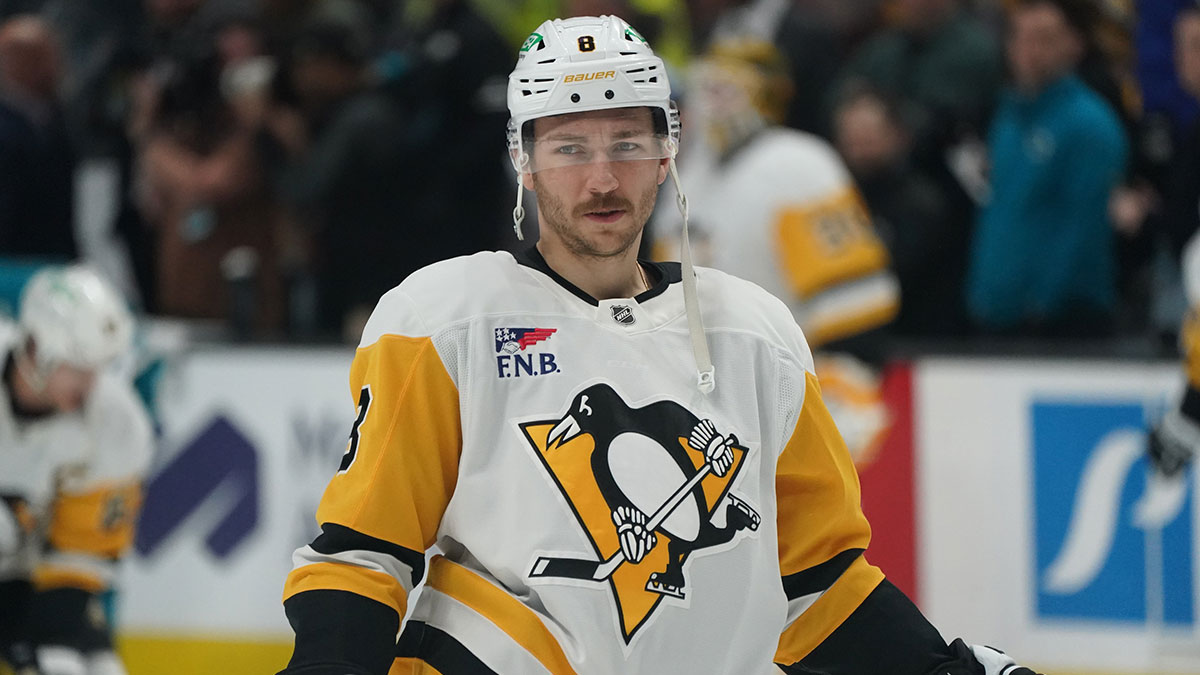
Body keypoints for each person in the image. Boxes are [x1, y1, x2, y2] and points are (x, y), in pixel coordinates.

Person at [279, 15, 1041, 675]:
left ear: (666, 151)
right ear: (525, 158)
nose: (603, 178)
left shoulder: (754, 334)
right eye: (571, 147)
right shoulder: (446, 319)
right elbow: (363, 552)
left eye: (629, 142)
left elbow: (821, 582)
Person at [655, 38, 897, 464]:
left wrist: (834, 413)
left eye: (727, 90)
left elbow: (856, 311)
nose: (713, 105)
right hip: (701, 414)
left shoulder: (799, 165)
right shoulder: (685, 175)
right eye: (706, 89)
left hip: (783, 402)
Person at [0, 266, 153, 675]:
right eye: (79, 364)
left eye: (98, 366)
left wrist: (46, 629)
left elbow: (79, 557)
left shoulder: (116, 422)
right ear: (37, 346)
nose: (91, 382)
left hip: (26, 579)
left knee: (88, 667)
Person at [965, 0, 1128, 336]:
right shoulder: (1008, 117)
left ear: (1074, 44)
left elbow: (1082, 223)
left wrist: (1041, 303)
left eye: (1043, 38)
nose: (1029, 50)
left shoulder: (1089, 125)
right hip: (998, 312)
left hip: (1061, 322)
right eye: (1020, 38)